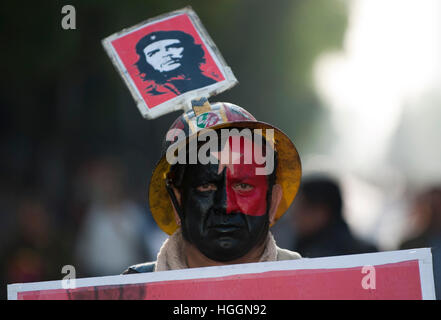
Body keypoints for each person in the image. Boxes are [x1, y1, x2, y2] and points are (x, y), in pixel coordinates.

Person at [123, 101, 302, 273]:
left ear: (273, 200)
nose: (226, 205)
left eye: (244, 186)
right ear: (177, 201)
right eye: (206, 186)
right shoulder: (132, 292)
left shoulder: (310, 284)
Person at [289, 175, 378, 258]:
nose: (294, 215)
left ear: (321, 212)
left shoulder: (316, 256)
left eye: (301, 208)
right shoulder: (368, 253)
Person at [135, 30, 217, 96]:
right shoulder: (152, 96)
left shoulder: (212, 83)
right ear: (145, 62)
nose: (165, 54)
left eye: (173, 47)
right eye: (154, 53)